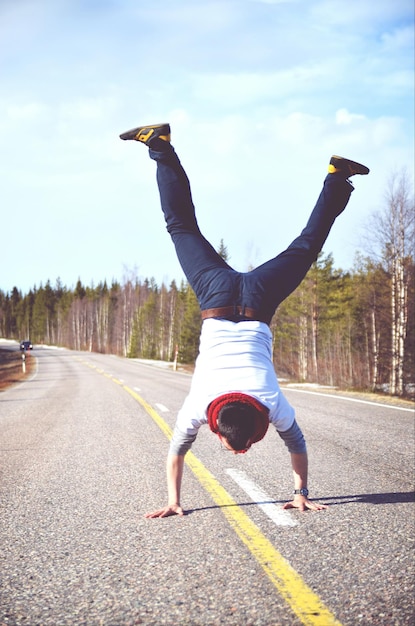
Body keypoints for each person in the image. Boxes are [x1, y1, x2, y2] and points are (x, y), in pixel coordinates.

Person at [120, 122, 369, 518]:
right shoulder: (199, 409)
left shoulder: (271, 403)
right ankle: (159, 144)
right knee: (180, 226)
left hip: (259, 300)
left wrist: (300, 490)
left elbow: (297, 445)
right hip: (214, 296)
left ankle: (337, 176)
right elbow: (176, 454)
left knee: (306, 246)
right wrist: (173, 501)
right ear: (217, 426)